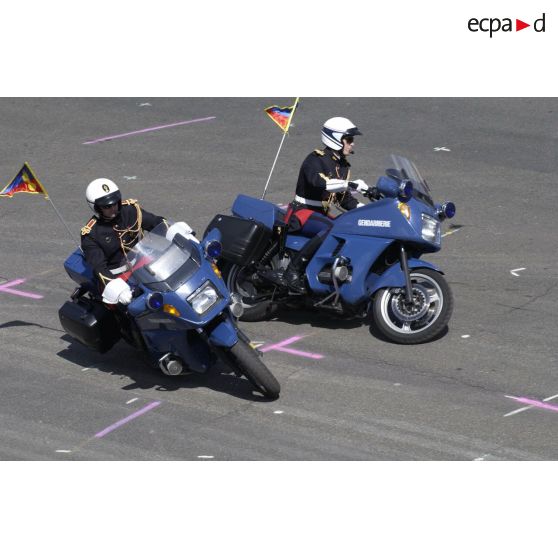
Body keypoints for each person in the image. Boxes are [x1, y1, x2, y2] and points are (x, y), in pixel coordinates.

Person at [263, 117, 373, 293]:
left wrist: (368, 211)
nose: (352, 144)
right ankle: (292, 272)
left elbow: (344, 200)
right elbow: (319, 182)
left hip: (320, 214)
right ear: (336, 138)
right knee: (334, 229)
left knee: (350, 227)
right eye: (349, 139)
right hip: (302, 212)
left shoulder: (343, 166)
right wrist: (350, 184)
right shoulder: (315, 159)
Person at [80, 178, 171, 305]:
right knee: (132, 307)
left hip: (141, 261)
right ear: (96, 207)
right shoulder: (91, 234)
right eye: (107, 206)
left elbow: (156, 222)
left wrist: (175, 231)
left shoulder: (130, 210)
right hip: (118, 277)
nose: (113, 208)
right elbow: (99, 267)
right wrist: (118, 289)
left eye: (115, 203)